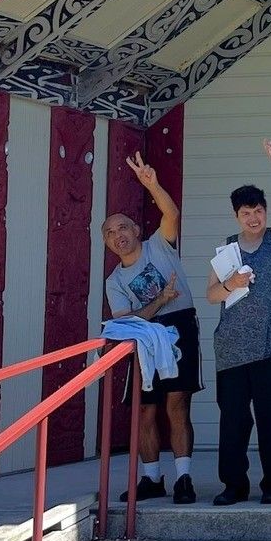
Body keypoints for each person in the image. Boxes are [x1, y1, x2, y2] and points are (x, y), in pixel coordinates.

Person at [100, 153, 200, 505]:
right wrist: (160, 300)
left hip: (180, 326)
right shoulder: (114, 281)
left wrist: (151, 183)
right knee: (145, 408)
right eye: (110, 233)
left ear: (137, 230)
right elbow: (127, 321)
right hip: (142, 336)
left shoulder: (159, 244)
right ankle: (151, 479)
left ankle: (184, 478)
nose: (118, 235)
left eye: (123, 227)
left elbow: (171, 214)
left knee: (177, 404)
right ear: (107, 243)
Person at [203, 141, 271, 506]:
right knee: (234, 423)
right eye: (247, 212)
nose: (254, 218)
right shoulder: (227, 251)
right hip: (233, 350)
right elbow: (211, 295)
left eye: (258, 210)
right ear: (237, 216)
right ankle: (234, 485)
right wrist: (232, 284)